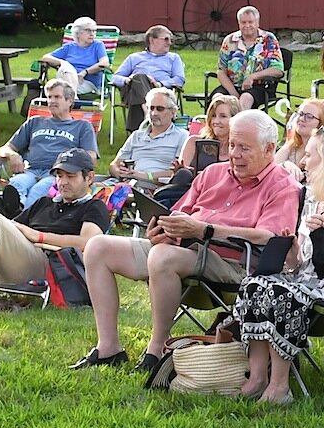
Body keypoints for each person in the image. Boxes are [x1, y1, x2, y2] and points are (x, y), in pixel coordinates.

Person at [76, 109, 299, 373]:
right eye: (232, 145)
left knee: (162, 257)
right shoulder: (213, 173)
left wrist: (206, 230)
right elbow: (181, 213)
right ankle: (109, 348)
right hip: (184, 248)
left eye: (244, 148)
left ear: (269, 149)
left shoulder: (283, 185)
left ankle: (157, 349)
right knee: (98, 247)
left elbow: (270, 236)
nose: (235, 155)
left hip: (233, 261)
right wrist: (161, 229)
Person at [233, 126, 324, 404]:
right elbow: (301, 264)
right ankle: (257, 377)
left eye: (310, 155)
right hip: (307, 283)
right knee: (254, 285)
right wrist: (291, 253)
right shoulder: (313, 199)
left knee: (282, 294)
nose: (303, 161)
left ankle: (280, 387)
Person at [0, 148, 110, 313]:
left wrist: (40, 236)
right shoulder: (45, 203)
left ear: (89, 178)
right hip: (16, 257)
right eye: (59, 176)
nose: (63, 182)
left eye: (70, 176)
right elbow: (10, 228)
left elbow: (88, 242)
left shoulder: (94, 206)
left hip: (49, 263)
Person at [0, 80, 98, 212]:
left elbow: (91, 158)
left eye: (57, 97)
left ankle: (17, 218)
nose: (51, 101)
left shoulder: (82, 126)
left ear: (70, 101)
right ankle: (14, 212)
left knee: (38, 191)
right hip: (30, 171)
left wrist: (69, 165)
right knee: (16, 185)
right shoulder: (35, 122)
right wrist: (13, 154)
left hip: (58, 175)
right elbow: (5, 148)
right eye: (49, 97)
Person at [155, 93, 235, 208]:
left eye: (223, 116)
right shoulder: (194, 142)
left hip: (221, 196)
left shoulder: (238, 149)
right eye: (213, 116)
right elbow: (181, 178)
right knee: (183, 174)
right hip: (190, 192)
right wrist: (181, 170)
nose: (216, 121)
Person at [109, 87, 189, 186]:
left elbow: (180, 172)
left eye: (160, 109)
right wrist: (120, 174)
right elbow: (113, 165)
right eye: (151, 108)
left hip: (156, 187)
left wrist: (146, 176)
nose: (154, 113)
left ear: (173, 112)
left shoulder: (182, 136)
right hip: (128, 183)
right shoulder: (136, 135)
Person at [112, 25, 186, 132]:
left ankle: (138, 129)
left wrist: (159, 84)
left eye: (170, 40)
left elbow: (179, 79)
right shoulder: (134, 57)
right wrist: (128, 80)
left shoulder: (173, 58)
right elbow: (115, 77)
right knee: (139, 77)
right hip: (132, 89)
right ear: (152, 40)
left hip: (159, 92)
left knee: (139, 82)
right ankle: (147, 110)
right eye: (166, 39)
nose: (169, 43)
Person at [216, 5, 284, 110]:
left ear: (257, 23)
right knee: (218, 100)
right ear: (239, 23)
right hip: (232, 86)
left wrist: (252, 77)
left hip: (259, 87)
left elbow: (278, 70)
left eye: (250, 22)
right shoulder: (229, 40)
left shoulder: (268, 39)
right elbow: (221, 71)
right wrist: (233, 93)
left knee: (245, 99)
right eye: (243, 22)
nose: (247, 25)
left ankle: (239, 126)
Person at [40, 16, 109, 96]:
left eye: (94, 31)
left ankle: (71, 97)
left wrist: (84, 72)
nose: (92, 34)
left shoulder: (98, 45)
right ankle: (73, 97)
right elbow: (46, 57)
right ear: (77, 33)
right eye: (88, 30)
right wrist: (62, 62)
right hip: (66, 79)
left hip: (86, 82)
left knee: (60, 88)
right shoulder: (69, 47)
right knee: (66, 68)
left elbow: (105, 63)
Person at [275, 98, 324, 184]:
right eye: (301, 114)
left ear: (322, 124)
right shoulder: (292, 146)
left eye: (309, 116)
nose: (302, 119)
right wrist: (284, 165)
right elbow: (271, 170)